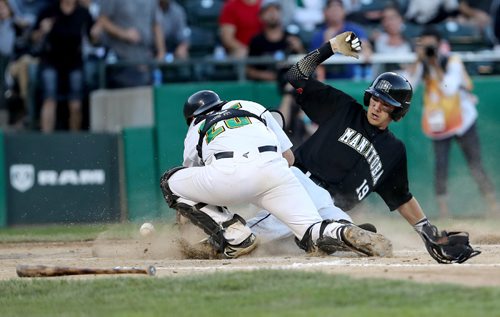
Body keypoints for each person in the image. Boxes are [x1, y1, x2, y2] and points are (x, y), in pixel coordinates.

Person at [247, 31, 479, 264]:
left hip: (330, 208)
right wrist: (330, 47)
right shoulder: (343, 108)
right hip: (299, 186)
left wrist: (427, 230)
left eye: (386, 105)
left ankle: (302, 240)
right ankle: (230, 237)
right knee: (248, 239)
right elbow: (295, 74)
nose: (377, 107)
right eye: (375, 99)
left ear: (397, 112)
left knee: (362, 240)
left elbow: (402, 198)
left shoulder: (393, 151)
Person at [159, 89, 393, 259]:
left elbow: (193, 180)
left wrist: (188, 216)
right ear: (222, 102)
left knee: (170, 181)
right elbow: (289, 158)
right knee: (313, 231)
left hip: (227, 175)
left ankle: (233, 231)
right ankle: (342, 231)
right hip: (275, 173)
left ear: (191, 117)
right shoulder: (250, 105)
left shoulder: (196, 126)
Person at [403, 27, 497, 218]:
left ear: (439, 44)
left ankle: (494, 206)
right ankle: (444, 212)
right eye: (425, 45)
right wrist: (418, 60)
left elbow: (448, 89)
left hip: (463, 121)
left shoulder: (452, 61)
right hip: (439, 125)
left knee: (475, 165)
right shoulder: (422, 64)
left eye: (432, 45)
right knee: (441, 166)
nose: (429, 49)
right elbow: (408, 85)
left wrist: (435, 64)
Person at [31, 0, 94, 132]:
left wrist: (96, 33)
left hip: (74, 61)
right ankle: (46, 140)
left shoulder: (83, 12)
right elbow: (33, 37)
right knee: (49, 98)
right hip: (51, 60)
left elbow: (93, 38)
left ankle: (75, 143)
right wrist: (42, 30)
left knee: (76, 103)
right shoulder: (48, 10)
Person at [97, 0, 165, 88]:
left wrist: (161, 51)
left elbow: (156, 24)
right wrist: (123, 34)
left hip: (145, 58)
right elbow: (102, 20)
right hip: (121, 59)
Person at [309, 0, 372, 81]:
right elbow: (314, 62)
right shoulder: (318, 35)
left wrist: (366, 49)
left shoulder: (355, 29)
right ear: (325, 12)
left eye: (338, 9)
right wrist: (327, 41)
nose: (335, 13)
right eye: (332, 10)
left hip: (353, 79)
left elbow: (365, 45)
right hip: (329, 81)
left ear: (344, 11)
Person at [246, 0, 305, 81]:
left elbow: (306, 66)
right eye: (267, 10)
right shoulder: (256, 41)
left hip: (290, 85)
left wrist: (300, 49)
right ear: (260, 16)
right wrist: (266, 76)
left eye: (276, 9)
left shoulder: (292, 38)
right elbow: (249, 70)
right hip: (264, 87)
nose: (272, 13)